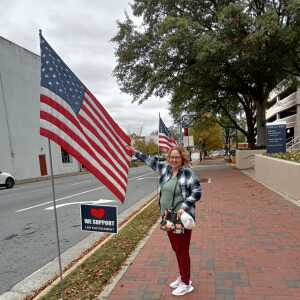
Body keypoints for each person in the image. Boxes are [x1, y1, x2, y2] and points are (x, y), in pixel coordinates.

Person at [131, 146, 202, 296]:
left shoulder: (187, 172)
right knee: (176, 248)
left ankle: (186, 283)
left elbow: (197, 191)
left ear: (182, 158)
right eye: (171, 157)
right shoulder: (166, 169)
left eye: (177, 157)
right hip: (167, 217)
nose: (174, 160)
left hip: (180, 218)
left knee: (182, 250)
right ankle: (183, 276)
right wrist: (134, 152)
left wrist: (185, 205)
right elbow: (150, 161)